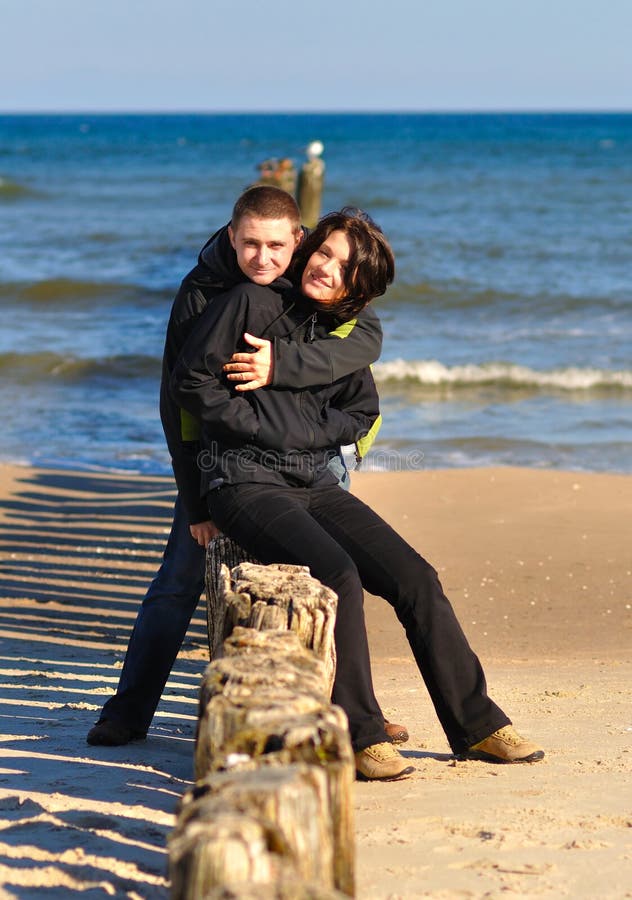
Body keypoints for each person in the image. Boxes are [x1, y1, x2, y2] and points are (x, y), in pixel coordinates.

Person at [169, 208, 545, 781]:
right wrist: (258, 431)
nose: (325, 268)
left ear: (358, 286)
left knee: (416, 578)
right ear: (308, 247)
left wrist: (303, 432)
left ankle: (477, 725)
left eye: (343, 266)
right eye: (323, 253)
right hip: (243, 481)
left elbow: (360, 413)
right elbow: (189, 384)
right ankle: (363, 734)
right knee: (339, 575)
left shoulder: (339, 337)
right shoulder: (249, 302)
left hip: (314, 483)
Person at [87, 186, 405, 747]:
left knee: (328, 582)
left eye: (277, 246)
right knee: (179, 581)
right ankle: (129, 711)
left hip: (314, 458)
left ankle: (354, 712)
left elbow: (365, 336)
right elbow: (178, 402)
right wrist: (196, 500)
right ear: (231, 237)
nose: (264, 258)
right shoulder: (202, 291)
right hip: (222, 465)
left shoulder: (307, 274)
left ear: (298, 240)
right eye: (251, 244)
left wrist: (288, 367)